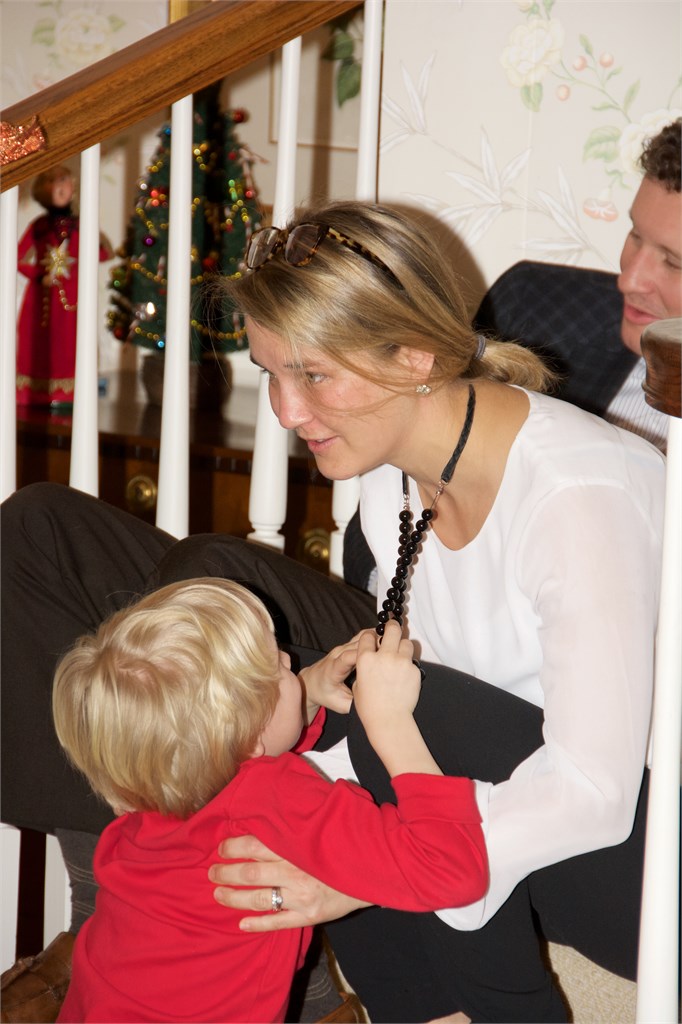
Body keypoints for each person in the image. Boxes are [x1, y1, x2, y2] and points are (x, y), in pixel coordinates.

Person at [0, 198, 665, 1019]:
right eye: (271, 373)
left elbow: (593, 793)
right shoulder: (390, 470)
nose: (285, 411)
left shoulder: (580, 498)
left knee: (412, 712)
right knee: (325, 687)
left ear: (415, 357)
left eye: (312, 375)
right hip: (485, 789)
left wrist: (359, 874)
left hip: (640, 860)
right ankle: (129, 902)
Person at [52, 579, 486, 1023]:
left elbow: (235, 769)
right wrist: (391, 721)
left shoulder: (150, 801)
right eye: (276, 666)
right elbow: (452, 871)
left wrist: (302, 696)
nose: (290, 659)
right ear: (251, 733)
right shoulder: (272, 795)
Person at [16, 165, 112, 408]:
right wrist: (39, 275)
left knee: (70, 343)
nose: (59, 188)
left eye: (64, 181)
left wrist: (87, 250)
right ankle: (35, 390)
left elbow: (103, 254)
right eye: (53, 182)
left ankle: (69, 392)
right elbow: (16, 258)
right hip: (41, 300)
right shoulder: (39, 227)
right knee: (36, 343)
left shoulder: (80, 226)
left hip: (71, 301)